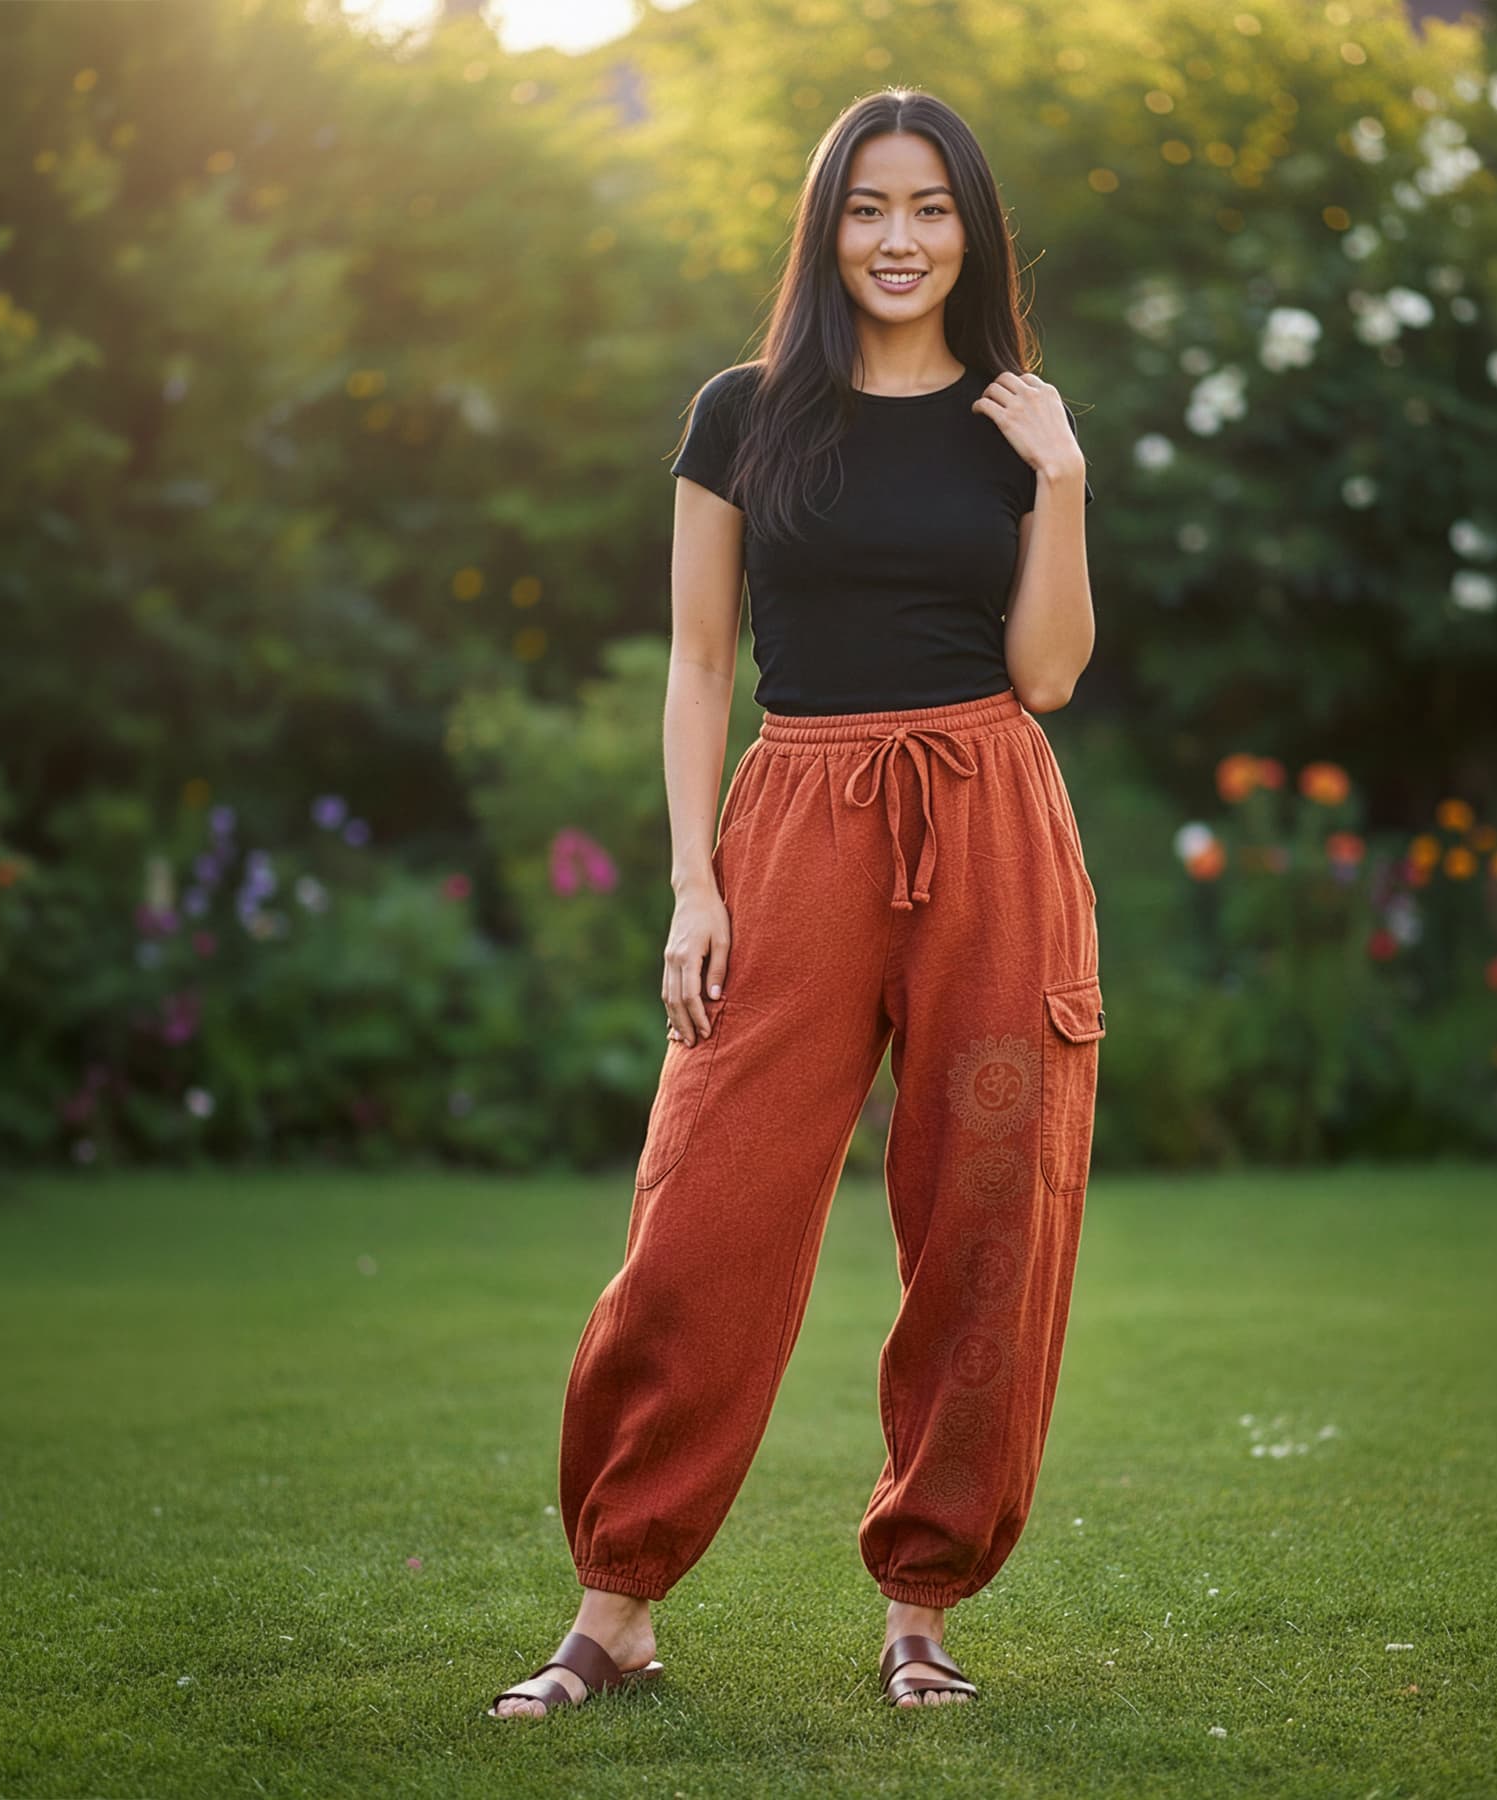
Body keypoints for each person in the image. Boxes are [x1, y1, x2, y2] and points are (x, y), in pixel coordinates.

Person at [488, 85, 1102, 1721]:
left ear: (971, 233)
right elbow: (699, 668)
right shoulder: (742, 412)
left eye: (931, 210)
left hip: (990, 827)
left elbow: (1045, 674)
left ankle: (922, 1605)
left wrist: (1066, 477)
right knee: (706, 1204)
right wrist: (694, 882)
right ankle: (615, 1604)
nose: (898, 240)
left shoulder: (1019, 422)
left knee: (988, 1214)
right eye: (866, 209)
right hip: (796, 823)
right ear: (826, 229)